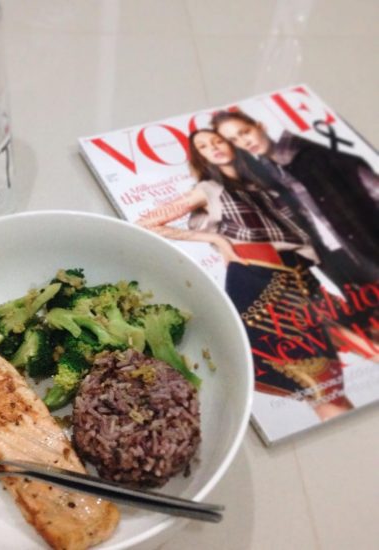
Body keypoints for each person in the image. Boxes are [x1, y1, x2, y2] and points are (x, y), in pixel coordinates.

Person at [137, 129, 355, 421]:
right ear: (199, 157)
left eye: (217, 141)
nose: (213, 148)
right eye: (203, 146)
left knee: (332, 383)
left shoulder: (265, 180)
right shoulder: (208, 189)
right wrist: (217, 241)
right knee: (320, 383)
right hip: (259, 282)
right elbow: (149, 221)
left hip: (299, 278)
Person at [211, 110, 379, 288]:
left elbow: (373, 189)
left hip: (364, 242)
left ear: (259, 126)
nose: (244, 142)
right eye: (234, 141)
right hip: (329, 256)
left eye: (245, 132)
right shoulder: (263, 173)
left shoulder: (311, 153)